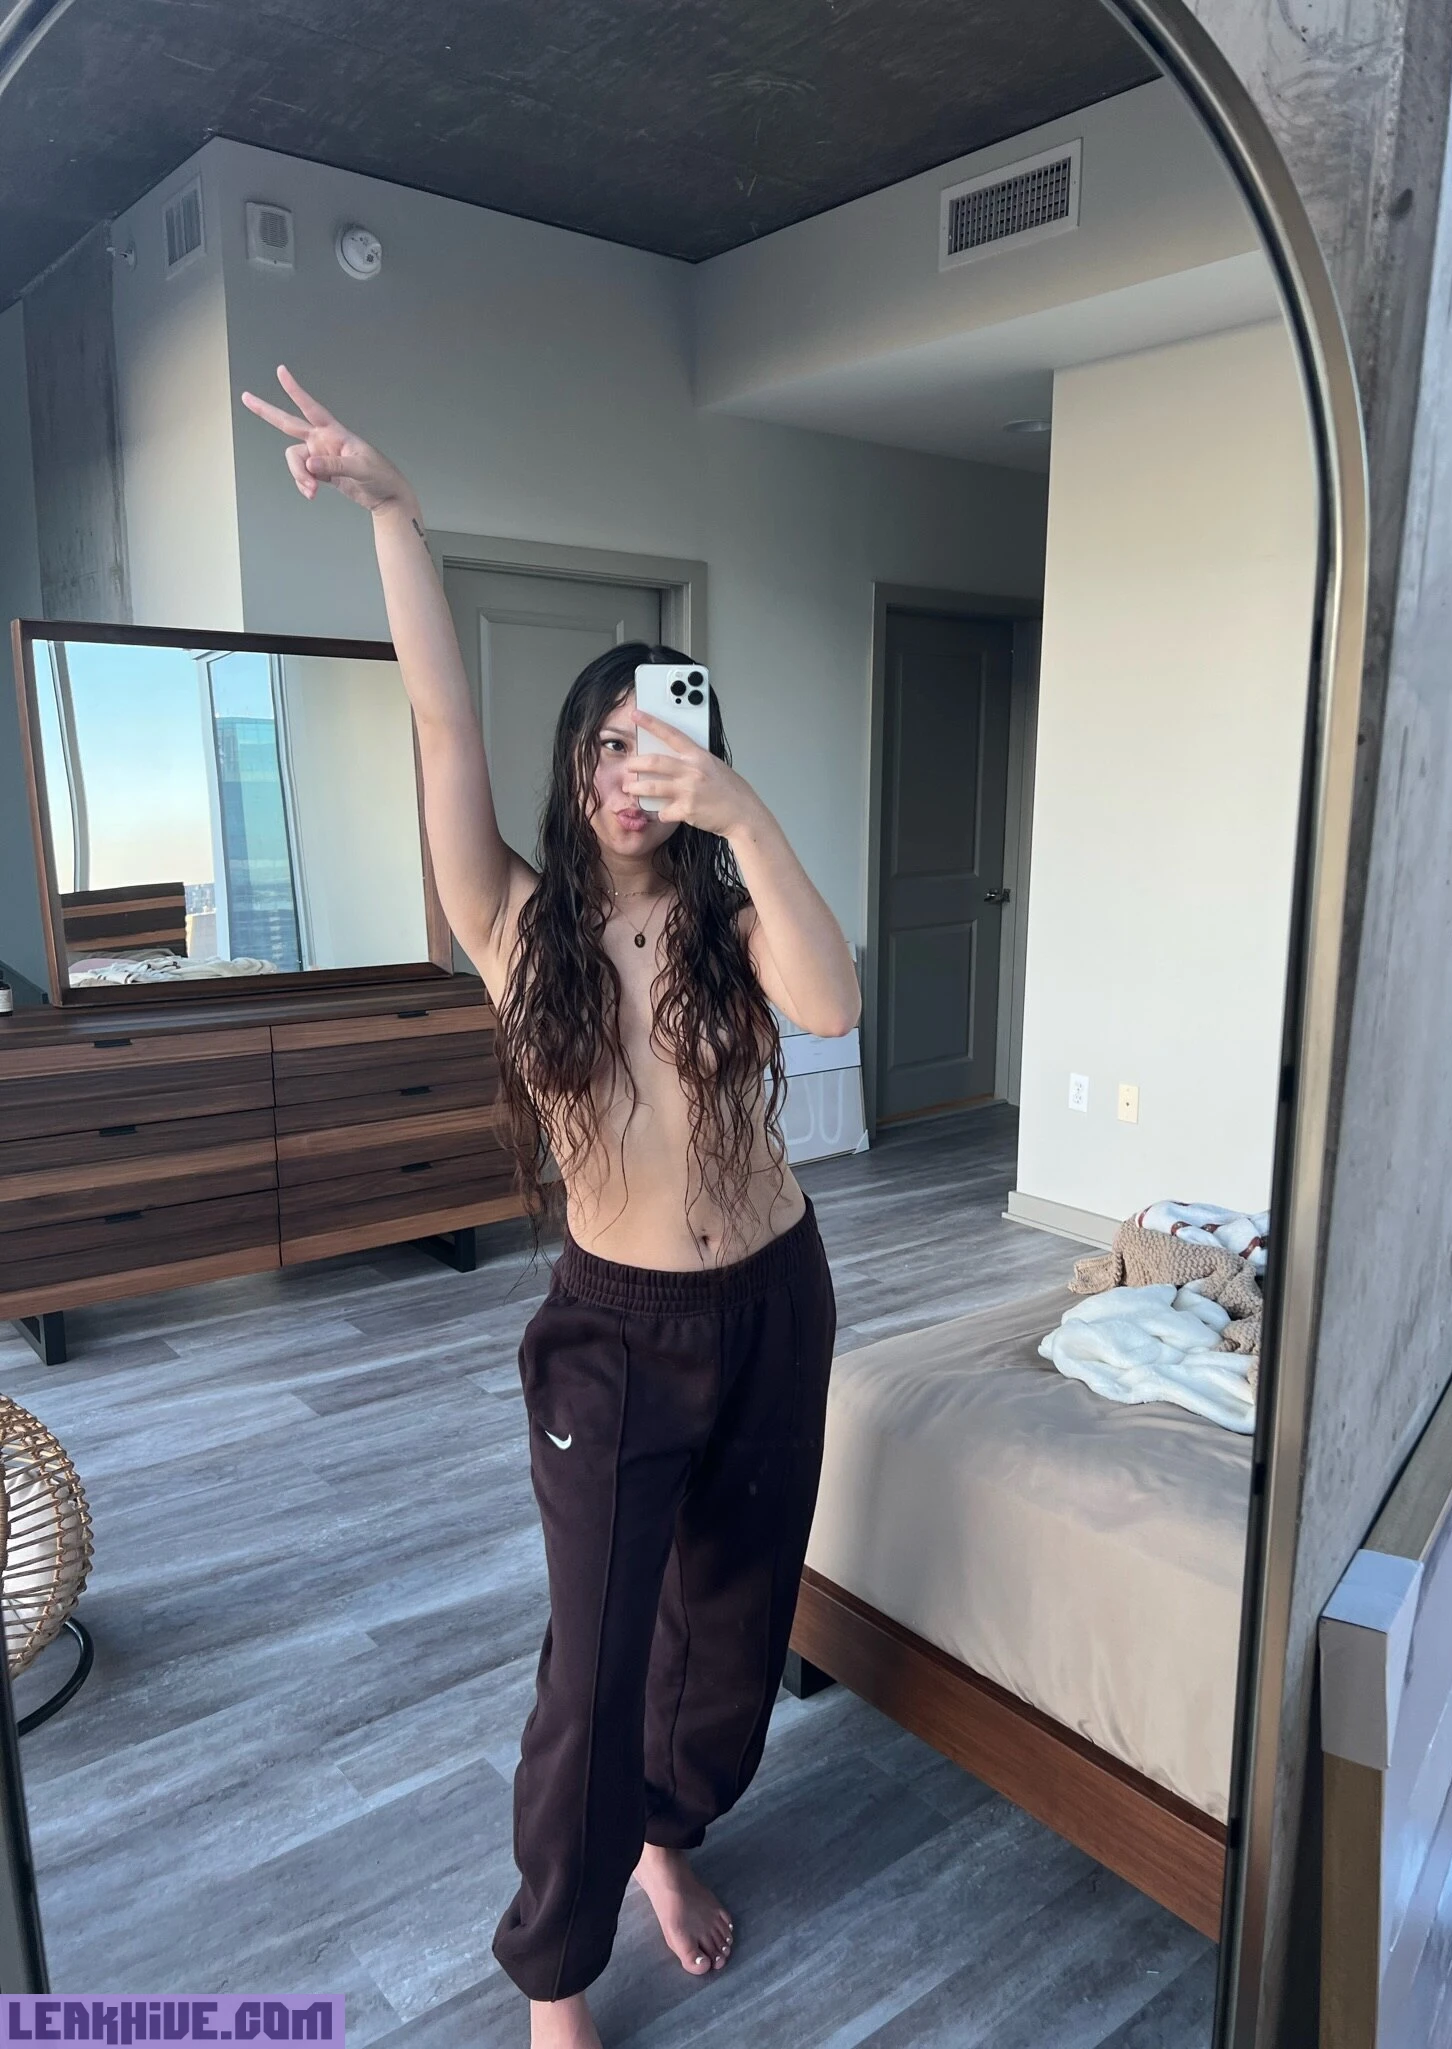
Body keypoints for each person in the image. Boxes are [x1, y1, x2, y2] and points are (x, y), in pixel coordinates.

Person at [242, 368, 861, 2049]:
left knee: (734, 1621)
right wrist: (394, 513)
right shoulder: (512, 922)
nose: (629, 774)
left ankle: (669, 1835)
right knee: (591, 1665)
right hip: (617, 1334)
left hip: (775, 1302)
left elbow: (831, 1004)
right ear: (576, 763)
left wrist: (742, 813)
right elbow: (442, 725)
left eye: (661, 746)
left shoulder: (734, 922)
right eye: (606, 743)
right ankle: (558, 1978)